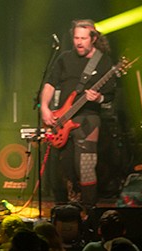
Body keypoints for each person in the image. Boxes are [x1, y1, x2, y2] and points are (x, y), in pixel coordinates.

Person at [38, 18, 116, 208]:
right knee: (63, 166)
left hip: (88, 118)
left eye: (83, 38)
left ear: (93, 39)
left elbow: (110, 95)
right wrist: (45, 107)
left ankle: (89, 208)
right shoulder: (64, 58)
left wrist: (97, 98)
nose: (79, 42)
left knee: (86, 164)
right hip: (62, 119)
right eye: (76, 38)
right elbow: (50, 84)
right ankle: (63, 206)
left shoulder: (104, 61)